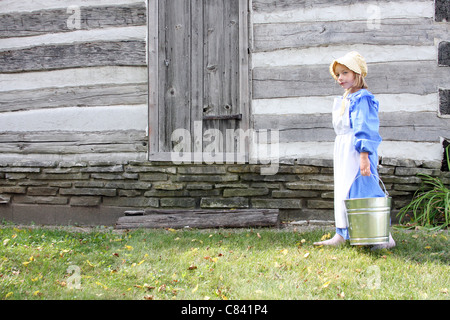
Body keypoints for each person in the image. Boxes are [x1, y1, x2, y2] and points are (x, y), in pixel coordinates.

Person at [313, 51, 395, 249]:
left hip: (358, 149)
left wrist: (364, 156)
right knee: (344, 190)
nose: (340, 78)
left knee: (364, 188)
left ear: (357, 74)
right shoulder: (348, 97)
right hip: (343, 149)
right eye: (338, 74)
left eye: (345, 73)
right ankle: (342, 233)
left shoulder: (363, 99)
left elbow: (365, 127)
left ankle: (385, 237)